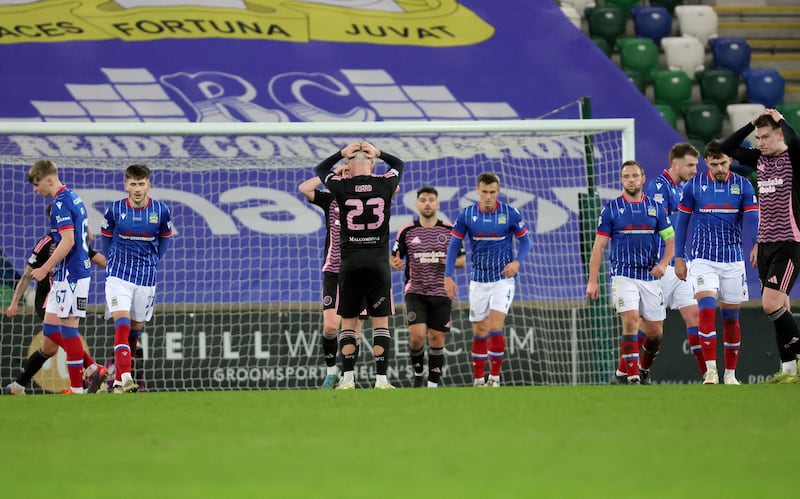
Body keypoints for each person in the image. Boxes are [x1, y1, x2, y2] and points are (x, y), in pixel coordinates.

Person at [315, 141, 404, 389]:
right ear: (373, 165)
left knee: (349, 323)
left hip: (350, 264)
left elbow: (321, 169)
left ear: (349, 167)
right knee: (380, 322)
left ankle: (348, 379)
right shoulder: (385, 184)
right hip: (378, 263)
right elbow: (399, 164)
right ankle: (382, 380)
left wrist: (341, 153)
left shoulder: (341, 187)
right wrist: (380, 152)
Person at [721, 108, 800, 383]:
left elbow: (796, 141)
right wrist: (750, 125)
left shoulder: (793, 158)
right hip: (765, 244)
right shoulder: (759, 160)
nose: (760, 142)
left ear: (779, 135)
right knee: (781, 308)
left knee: (769, 304)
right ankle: (789, 369)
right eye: (758, 137)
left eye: (765, 137)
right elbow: (726, 147)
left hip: (789, 242)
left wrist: (782, 120)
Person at [673, 139, 759, 385]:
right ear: (706, 163)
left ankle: (730, 375)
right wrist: (679, 257)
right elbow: (682, 224)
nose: (719, 168)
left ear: (729, 160)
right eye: (714, 164)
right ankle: (711, 372)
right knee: (707, 309)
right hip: (703, 260)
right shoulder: (694, 186)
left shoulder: (743, 186)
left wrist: (756, 244)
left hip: (733, 260)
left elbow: (752, 219)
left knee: (731, 319)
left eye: (723, 162)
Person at [3, 205, 109, 395]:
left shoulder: (76, 241)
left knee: (49, 348)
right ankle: (91, 371)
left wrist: (122, 275)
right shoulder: (47, 243)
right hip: (47, 299)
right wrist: (14, 301)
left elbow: (99, 258)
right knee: (56, 333)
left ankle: (18, 386)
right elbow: (27, 275)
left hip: (69, 296)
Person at [586, 161, 675, 385]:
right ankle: (632, 376)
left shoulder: (657, 209)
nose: (631, 180)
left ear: (643, 178)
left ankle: (642, 370)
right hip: (623, 275)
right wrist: (592, 281)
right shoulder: (611, 209)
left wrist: (664, 263)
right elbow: (599, 247)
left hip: (650, 275)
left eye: (635, 175)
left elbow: (671, 241)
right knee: (631, 320)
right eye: (626, 176)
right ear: (621, 180)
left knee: (655, 333)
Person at [444, 172, 531, 387]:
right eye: (485, 192)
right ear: (478, 191)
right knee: (479, 330)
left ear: (498, 191)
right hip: (478, 280)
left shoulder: (510, 214)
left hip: (503, 279)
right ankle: (477, 380)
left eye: (492, 192)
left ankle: (494, 377)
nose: (489, 197)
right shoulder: (467, 215)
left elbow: (526, 242)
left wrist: (518, 262)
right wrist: (448, 275)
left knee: (494, 325)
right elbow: (454, 245)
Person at [100, 164, 172, 394]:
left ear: (149, 184)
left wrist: (153, 261)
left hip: (145, 277)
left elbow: (165, 240)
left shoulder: (161, 211)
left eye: (141, 184)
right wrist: (112, 260)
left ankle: (122, 377)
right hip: (119, 275)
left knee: (135, 330)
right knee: (121, 323)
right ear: (126, 185)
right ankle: (125, 377)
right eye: (133, 184)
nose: (138, 188)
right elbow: (106, 236)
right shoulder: (115, 209)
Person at [24, 160, 93, 394]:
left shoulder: (60, 204)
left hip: (72, 275)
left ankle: (76, 388)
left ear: (49, 180)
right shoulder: (74, 196)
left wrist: (45, 268)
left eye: (37, 184)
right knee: (51, 329)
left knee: (68, 330)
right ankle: (92, 368)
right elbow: (88, 234)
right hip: (69, 273)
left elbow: (69, 240)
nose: (36, 189)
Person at [637, 143, 701, 383]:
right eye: (690, 165)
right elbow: (659, 227)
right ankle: (635, 369)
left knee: (694, 314)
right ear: (675, 165)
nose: (695, 170)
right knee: (650, 328)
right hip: (659, 264)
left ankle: (708, 375)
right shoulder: (658, 188)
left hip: (680, 263)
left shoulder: (683, 186)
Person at [298, 163, 365, 389]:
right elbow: (304, 188)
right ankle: (330, 373)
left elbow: (392, 191)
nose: (346, 176)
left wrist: (365, 174)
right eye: (342, 174)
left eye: (350, 173)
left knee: (353, 329)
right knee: (330, 327)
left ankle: (349, 378)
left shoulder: (365, 199)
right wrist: (332, 174)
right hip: (333, 271)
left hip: (359, 272)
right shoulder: (330, 200)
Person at [390, 186, 465, 387]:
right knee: (416, 337)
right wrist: (394, 263)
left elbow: (462, 260)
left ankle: (432, 385)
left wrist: (444, 261)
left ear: (438, 204)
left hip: (442, 291)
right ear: (417, 205)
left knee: (437, 338)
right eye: (423, 200)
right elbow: (394, 257)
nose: (427, 203)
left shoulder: (450, 230)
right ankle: (418, 374)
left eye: (431, 199)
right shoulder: (407, 231)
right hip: (416, 291)